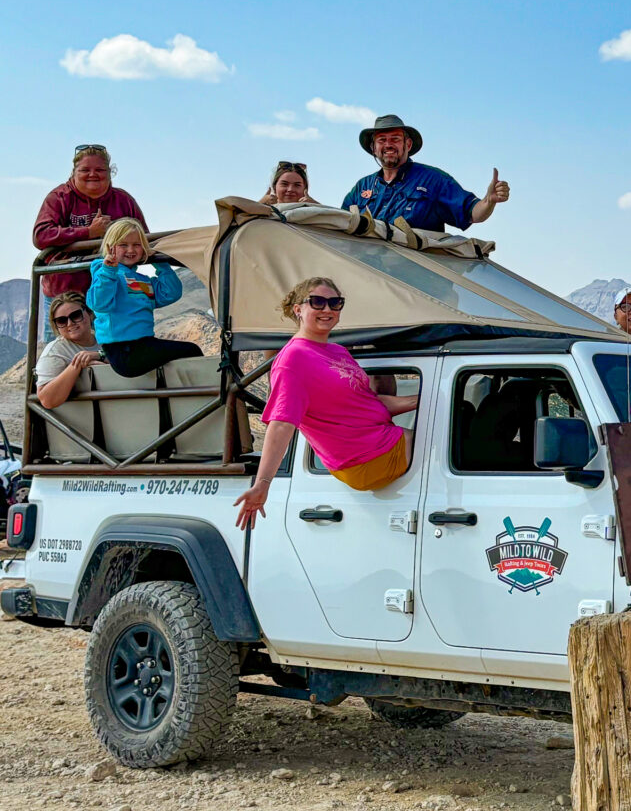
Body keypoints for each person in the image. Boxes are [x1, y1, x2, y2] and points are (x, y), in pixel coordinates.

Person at [233, 277, 418, 530]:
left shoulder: (338, 352)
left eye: (335, 303)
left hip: (383, 438)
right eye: (317, 302)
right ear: (298, 309)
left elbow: (365, 402)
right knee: (456, 447)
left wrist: (422, 401)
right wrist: (263, 484)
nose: (327, 310)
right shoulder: (293, 359)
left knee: (461, 418)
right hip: (365, 457)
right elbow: (281, 424)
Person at [32, 144, 147, 327]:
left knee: (110, 349)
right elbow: (41, 235)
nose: (92, 174)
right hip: (66, 293)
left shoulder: (123, 200)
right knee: (64, 350)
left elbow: (144, 237)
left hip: (112, 292)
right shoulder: (59, 198)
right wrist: (88, 232)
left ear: (110, 173)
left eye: (99, 169)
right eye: (85, 170)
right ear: (74, 172)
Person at [340, 114, 510, 233]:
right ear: (373, 148)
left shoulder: (434, 180)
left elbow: (471, 213)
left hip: (414, 278)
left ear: (408, 144)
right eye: (382, 140)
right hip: (370, 276)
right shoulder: (362, 187)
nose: (388, 145)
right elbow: (341, 223)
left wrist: (489, 201)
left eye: (395, 139)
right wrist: (312, 204)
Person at [87, 218, 201, 378]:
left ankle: (192, 397)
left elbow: (170, 293)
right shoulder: (105, 273)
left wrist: (161, 264)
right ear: (110, 247)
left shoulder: (140, 279)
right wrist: (108, 271)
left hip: (144, 343)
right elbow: (99, 303)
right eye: (123, 245)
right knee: (191, 351)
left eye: (137, 244)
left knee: (187, 353)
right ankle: (204, 398)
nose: (131, 250)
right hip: (123, 350)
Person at [34, 292, 105, 409]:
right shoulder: (55, 352)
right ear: (56, 326)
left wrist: (99, 355)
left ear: (89, 313)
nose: (70, 323)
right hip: (75, 423)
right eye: (61, 321)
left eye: (76, 315)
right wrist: (76, 365)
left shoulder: (105, 340)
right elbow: (47, 400)